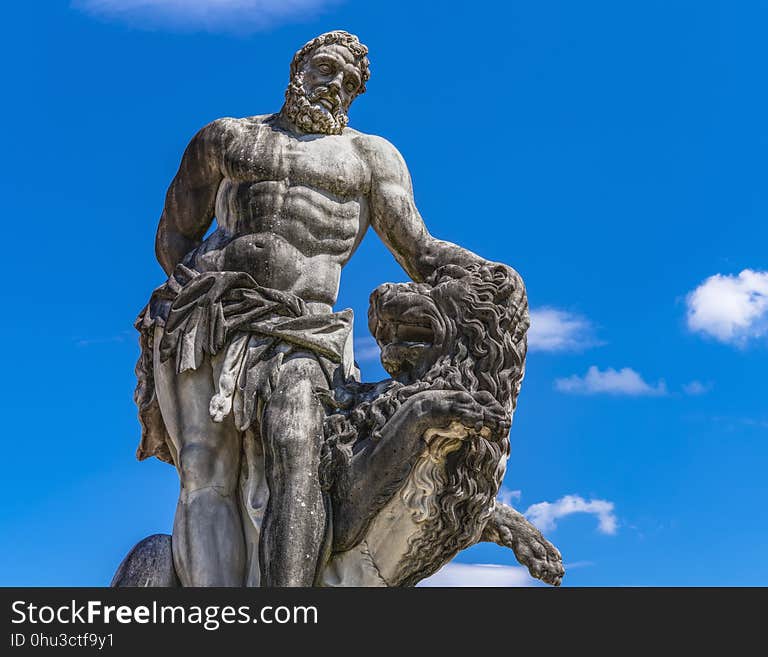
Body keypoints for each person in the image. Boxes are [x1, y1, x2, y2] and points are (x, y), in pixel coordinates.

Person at [133, 30, 508, 586]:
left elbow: (420, 250)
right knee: (205, 473)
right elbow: (173, 237)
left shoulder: (370, 157)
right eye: (327, 68)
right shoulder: (226, 138)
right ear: (299, 68)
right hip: (209, 320)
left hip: (304, 328)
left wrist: (494, 280)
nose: (337, 84)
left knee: (299, 452)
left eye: (350, 82)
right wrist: (196, 293)